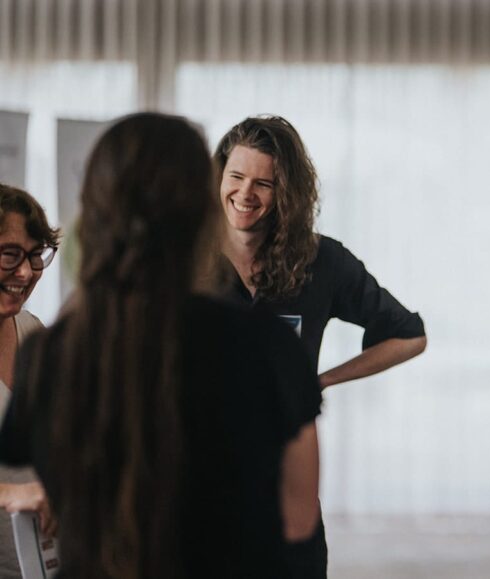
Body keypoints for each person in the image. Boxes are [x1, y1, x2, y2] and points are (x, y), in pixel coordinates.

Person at [0, 113, 323, 578]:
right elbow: (299, 518)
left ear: (96, 211)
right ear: (203, 210)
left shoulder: (53, 352)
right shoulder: (270, 347)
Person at [214, 116, 427, 575]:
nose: (245, 194)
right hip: (199, 492)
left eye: (264, 183)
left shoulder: (319, 261)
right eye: (236, 177)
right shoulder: (181, 260)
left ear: (285, 192)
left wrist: (320, 380)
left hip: (289, 491)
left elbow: (409, 335)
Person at [0, 184, 58, 578]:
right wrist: (7, 493)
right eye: (9, 255)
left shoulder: (33, 332)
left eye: (35, 255)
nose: (25, 271)